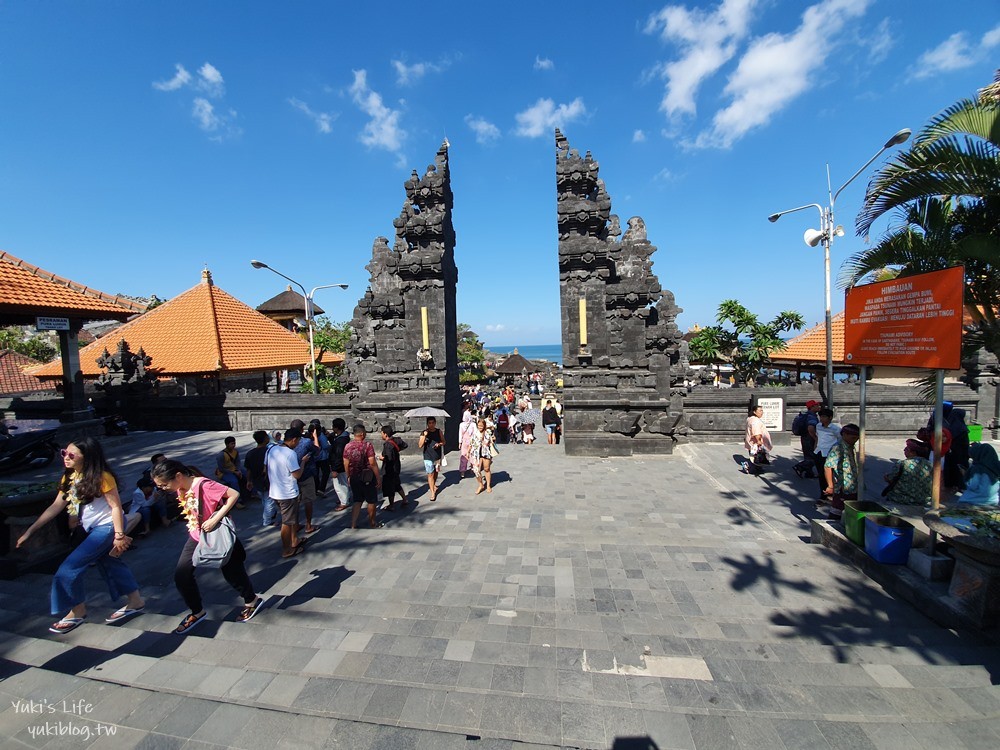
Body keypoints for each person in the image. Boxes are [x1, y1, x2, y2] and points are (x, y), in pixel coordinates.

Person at [16, 438, 144, 634]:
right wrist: (31, 530)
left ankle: (77, 611)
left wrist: (119, 535)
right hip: (92, 527)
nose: (66, 458)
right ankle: (135, 601)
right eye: (63, 453)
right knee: (109, 562)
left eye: (71, 455)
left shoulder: (103, 476)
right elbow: (56, 506)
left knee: (68, 568)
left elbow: (116, 507)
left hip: (108, 526)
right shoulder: (69, 477)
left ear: (86, 457)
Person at [152, 460, 263, 634]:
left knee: (232, 571)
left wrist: (214, 519)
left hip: (217, 534)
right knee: (182, 575)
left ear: (178, 476)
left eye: (164, 484)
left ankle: (251, 600)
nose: (162, 488)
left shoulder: (205, 485)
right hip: (197, 536)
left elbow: (233, 494)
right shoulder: (181, 488)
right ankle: (197, 611)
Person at [265, 427, 310, 557]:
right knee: (287, 521)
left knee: (291, 518)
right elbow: (297, 475)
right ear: (294, 440)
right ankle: (287, 549)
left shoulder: (271, 449)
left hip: (275, 490)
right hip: (287, 492)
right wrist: (303, 462)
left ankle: (294, 540)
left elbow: (266, 468)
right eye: (298, 441)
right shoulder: (290, 454)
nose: (298, 444)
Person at [344, 424, 382, 528]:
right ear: (361, 434)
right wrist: (378, 477)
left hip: (354, 477)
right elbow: (372, 463)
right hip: (367, 476)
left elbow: (346, 463)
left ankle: (353, 523)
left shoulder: (348, 446)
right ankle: (372, 522)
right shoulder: (367, 445)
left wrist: (348, 476)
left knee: (357, 500)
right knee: (371, 500)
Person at [823, 423, 861, 520]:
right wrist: (830, 485)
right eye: (853, 438)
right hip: (842, 487)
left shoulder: (851, 446)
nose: (855, 440)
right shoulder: (837, 448)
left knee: (850, 510)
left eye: (857, 438)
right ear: (844, 434)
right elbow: (828, 466)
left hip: (853, 486)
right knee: (837, 511)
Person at [290, 419, 320, 534]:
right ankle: (308, 524)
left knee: (295, 502)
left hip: (292, 476)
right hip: (306, 474)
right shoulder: (306, 442)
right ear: (301, 430)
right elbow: (317, 451)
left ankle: (296, 524)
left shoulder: (286, 442)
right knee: (308, 500)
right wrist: (315, 437)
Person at [882, 439, 933, 506]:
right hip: (924, 499)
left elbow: (891, 478)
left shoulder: (902, 463)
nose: (904, 450)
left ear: (913, 452)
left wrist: (886, 477)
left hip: (903, 498)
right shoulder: (930, 464)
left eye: (906, 449)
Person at [813, 408, 841, 500]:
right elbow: (817, 437)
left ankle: (832, 493)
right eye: (820, 416)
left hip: (829, 454)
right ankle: (824, 494)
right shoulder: (818, 426)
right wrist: (815, 448)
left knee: (830, 475)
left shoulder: (835, 428)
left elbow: (840, 440)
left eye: (824, 416)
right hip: (819, 452)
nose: (821, 418)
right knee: (821, 475)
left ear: (830, 418)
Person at [379, 426, 409, 511]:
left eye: (381, 433)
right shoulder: (397, 440)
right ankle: (405, 499)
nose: (381, 435)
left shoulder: (388, 444)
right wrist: (398, 450)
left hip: (389, 469)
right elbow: (405, 445)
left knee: (390, 487)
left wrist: (382, 458)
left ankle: (391, 505)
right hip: (396, 466)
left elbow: (389, 458)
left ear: (385, 434)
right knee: (396, 483)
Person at [328, 417, 352, 512]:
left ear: (336, 428)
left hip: (339, 466)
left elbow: (338, 455)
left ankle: (344, 502)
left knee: (339, 485)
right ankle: (345, 498)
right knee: (343, 483)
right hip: (342, 465)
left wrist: (335, 469)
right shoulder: (343, 437)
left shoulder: (340, 441)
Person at [793, 400, 822, 478]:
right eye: (817, 405)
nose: (819, 406)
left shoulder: (806, 415)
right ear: (812, 407)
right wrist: (815, 438)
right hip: (810, 438)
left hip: (804, 437)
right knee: (813, 457)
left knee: (808, 456)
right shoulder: (811, 416)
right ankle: (799, 466)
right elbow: (810, 428)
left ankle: (809, 473)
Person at [215, 436, 246, 508]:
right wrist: (234, 472)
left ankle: (253, 493)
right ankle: (237, 501)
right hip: (224, 472)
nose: (233, 445)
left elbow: (238, 462)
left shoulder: (236, 452)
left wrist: (238, 470)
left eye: (234, 443)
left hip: (234, 469)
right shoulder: (221, 455)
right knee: (234, 481)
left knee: (247, 474)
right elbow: (221, 468)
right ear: (227, 444)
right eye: (231, 444)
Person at [468, 418, 497, 494]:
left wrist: (491, 440)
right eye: (479, 425)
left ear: (484, 426)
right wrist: (468, 452)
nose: (480, 427)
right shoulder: (475, 433)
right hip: (476, 454)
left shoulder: (487, 433)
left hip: (486, 453)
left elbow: (492, 440)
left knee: (487, 469)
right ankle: (481, 485)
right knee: (476, 470)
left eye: (481, 426)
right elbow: (471, 443)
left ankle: (488, 485)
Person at [419, 416, 445, 501]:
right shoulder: (424, 432)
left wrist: (439, 444)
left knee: (435, 472)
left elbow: (444, 441)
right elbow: (420, 445)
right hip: (427, 455)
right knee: (430, 474)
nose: (431, 425)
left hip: (436, 455)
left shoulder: (438, 431)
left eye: (432, 423)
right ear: (427, 424)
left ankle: (433, 484)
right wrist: (424, 436)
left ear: (435, 423)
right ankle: (432, 492)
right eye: (429, 423)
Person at [243, 430, 273, 504]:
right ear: (265, 438)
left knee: (264, 499)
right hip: (268, 481)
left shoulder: (250, 453)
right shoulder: (269, 452)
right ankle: (268, 516)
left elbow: (248, 469)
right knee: (269, 502)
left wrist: (249, 481)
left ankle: (269, 515)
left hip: (256, 480)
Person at [743, 404, 772, 473]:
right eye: (760, 411)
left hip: (751, 442)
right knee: (757, 457)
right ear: (754, 412)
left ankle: (758, 468)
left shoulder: (750, 418)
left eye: (762, 411)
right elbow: (756, 432)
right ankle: (748, 467)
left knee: (754, 456)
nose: (762, 412)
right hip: (755, 443)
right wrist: (759, 441)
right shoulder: (755, 421)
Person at [310, 419, 332, 497]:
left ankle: (316, 488)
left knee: (316, 474)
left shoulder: (309, 434)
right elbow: (326, 446)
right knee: (326, 473)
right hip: (323, 457)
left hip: (314, 457)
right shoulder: (321, 434)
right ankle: (321, 489)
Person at [458, 411, 475, 478]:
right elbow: (475, 433)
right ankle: (472, 468)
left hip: (464, 441)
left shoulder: (461, 424)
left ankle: (462, 471)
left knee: (463, 456)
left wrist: (460, 442)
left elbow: (460, 434)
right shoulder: (473, 424)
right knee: (472, 455)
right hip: (472, 441)